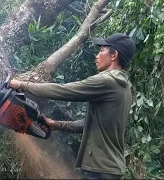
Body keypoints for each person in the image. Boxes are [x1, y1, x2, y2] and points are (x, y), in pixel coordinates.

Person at [9, 33, 136, 179]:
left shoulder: (108, 81)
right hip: (108, 168)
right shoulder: (124, 88)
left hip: (100, 170)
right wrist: (56, 125)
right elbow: (91, 124)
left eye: (101, 50)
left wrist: (23, 85)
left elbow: (65, 90)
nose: (97, 55)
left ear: (114, 55)